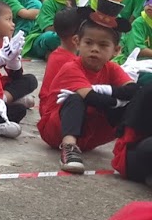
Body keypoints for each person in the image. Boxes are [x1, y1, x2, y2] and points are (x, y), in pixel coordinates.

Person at [41, 9, 135, 171]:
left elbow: (133, 90)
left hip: (92, 132)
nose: (95, 49)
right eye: (89, 43)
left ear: (116, 50)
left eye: (103, 45)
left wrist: (109, 92)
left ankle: (132, 148)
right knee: (76, 98)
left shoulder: (112, 68)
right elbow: (92, 98)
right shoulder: (71, 67)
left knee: (135, 105)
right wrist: (117, 98)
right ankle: (69, 148)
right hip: (58, 129)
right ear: (77, 42)